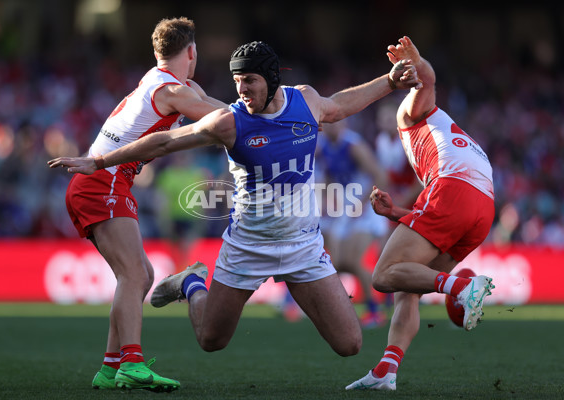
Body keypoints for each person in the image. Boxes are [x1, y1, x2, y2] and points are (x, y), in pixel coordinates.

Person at [49, 41, 421, 365]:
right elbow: (163, 142)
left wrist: (389, 82)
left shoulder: (305, 102)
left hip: (303, 246)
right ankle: (192, 284)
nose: (241, 90)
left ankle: (199, 284)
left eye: (250, 81)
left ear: (272, 78)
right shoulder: (228, 122)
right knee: (211, 341)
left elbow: (340, 104)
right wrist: (98, 161)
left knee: (350, 344)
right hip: (247, 246)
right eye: (237, 81)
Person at [53, 17, 227, 392]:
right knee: (134, 275)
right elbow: (222, 121)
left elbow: (221, 106)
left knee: (140, 275)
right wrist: (276, 121)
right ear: (192, 52)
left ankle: (110, 366)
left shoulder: (159, 79)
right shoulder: (173, 92)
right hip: (104, 181)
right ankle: (131, 361)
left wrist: (255, 115)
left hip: (102, 181)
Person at [345, 36, 495, 391]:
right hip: (483, 207)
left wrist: (417, 62)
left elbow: (427, 79)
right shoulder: (449, 132)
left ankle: (462, 286)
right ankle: (386, 370)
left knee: (383, 276)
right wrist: (397, 211)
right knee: (407, 284)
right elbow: (445, 206)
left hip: (454, 188)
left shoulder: (410, 116)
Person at [317, 119, 390, 328]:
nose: (331, 126)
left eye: (335, 123)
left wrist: (365, 202)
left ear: (344, 125)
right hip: (346, 210)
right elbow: (329, 176)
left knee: (353, 262)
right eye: (327, 123)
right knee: (339, 263)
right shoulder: (323, 145)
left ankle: (374, 310)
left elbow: (380, 175)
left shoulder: (354, 146)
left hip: (364, 209)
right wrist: (325, 197)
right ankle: (344, 309)